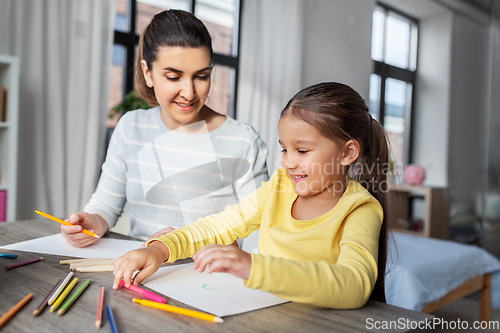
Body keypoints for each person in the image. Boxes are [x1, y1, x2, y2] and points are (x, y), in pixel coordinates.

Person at [112, 82, 390, 309]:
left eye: (302, 151)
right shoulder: (280, 186)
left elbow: (354, 285)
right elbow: (220, 225)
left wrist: (253, 266)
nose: (288, 162)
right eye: (284, 149)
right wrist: (160, 249)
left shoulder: (360, 209)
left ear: (347, 153)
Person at [61, 9, 269, 247]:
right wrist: (93, 222)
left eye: (201, 76)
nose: (189, 93)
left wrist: (187, 243)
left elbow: (258, 235)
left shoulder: (242, 141)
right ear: (148, 73)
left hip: (207, 278)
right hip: (139, 270)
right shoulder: (131, 128)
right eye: (173, 77)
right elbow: (106, 204)